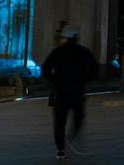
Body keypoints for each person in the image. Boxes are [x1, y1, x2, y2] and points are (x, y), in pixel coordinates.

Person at [40, 24, 97, 159]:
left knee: (59, 121)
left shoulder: (57, 52)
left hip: (60, 91)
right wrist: (84, 79)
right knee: (78, 116)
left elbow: (45, 69)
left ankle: (60, 149)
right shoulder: (84, 52)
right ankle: (71, 138)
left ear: (65, 38)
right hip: (77, 90)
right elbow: (94, 70)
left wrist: (55, 80)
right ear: (76, 38)